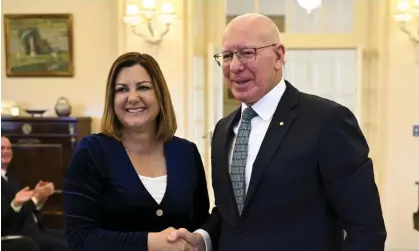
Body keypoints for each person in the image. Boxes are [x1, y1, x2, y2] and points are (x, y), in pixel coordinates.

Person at [168, 13, 386, 251]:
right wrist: (203, 238)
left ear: (279, 56)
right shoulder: (223, 129)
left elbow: (366, 229)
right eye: (228, 55)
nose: (235, 66)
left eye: (247, 53)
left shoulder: (327, 121)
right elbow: (234, 214)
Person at [63, 52, 210, 251]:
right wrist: (151, 243)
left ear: (160, 95)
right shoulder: (91, 151)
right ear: (112, 99)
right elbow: (79, 238)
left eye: (143, 87)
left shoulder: (186, 153)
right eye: (122, 89)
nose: (133, 97)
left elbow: (199, 224)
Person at [1, 136, 69, 251]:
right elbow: (6, 220)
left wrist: (39, 198)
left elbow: (25, 209)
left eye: (9, 148)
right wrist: (33, 199)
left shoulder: (11, 178)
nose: (6, 151)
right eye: (2, 148)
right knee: (64, 246)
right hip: (19, 234)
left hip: (34, 229)